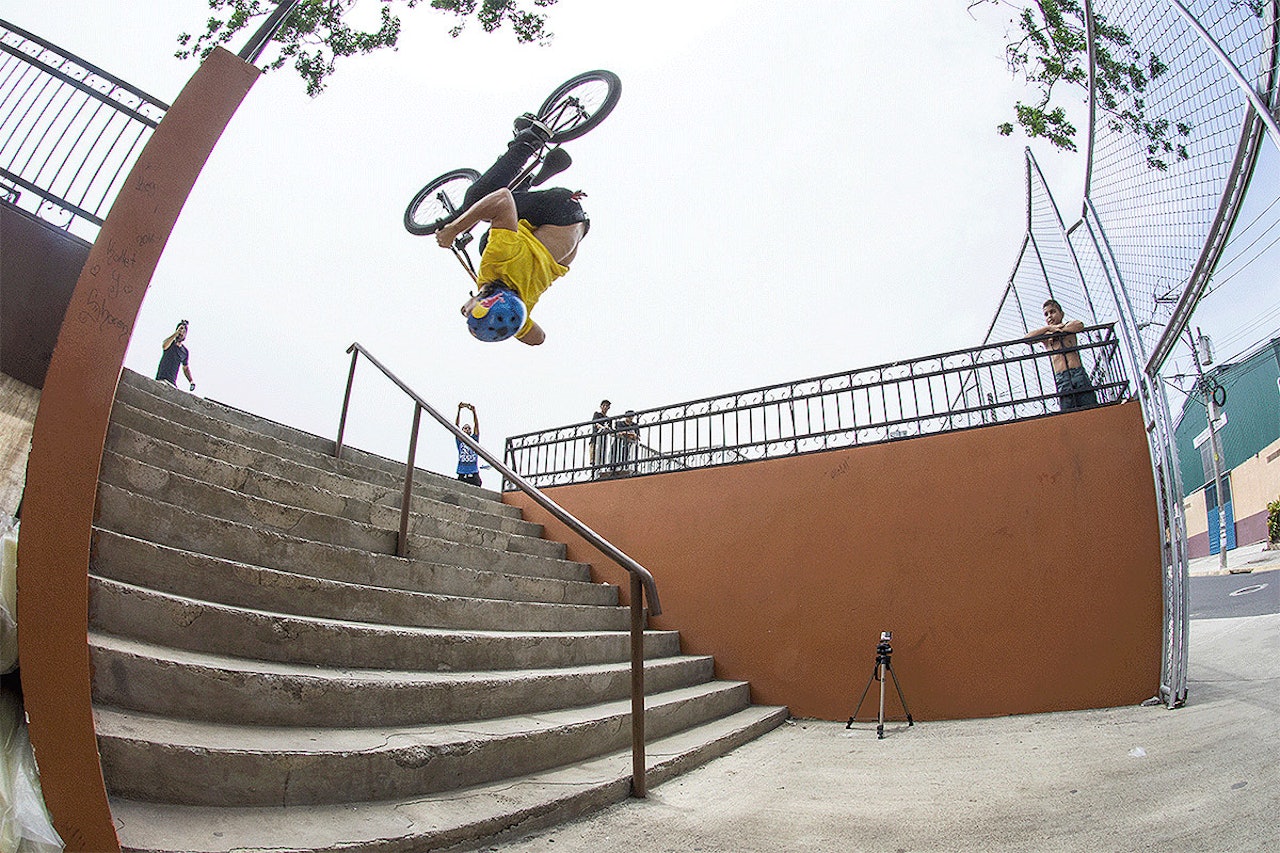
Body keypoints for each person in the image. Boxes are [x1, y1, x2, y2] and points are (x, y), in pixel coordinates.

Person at [436, 116, 591, 346]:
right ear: (485, 301)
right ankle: (530, 139)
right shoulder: (500, 261)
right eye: (468, 313)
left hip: (569, 230)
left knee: (486, 240)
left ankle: (528, 180)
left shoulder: (520, 309)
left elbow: (538, 338)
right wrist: (454, 229)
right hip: (558, 211)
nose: (463, 311)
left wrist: (517, 326)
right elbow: (502, 199)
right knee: (478, 199)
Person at [1025, 299, 1098, 412]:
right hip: (1062, 377)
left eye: (1053, 312)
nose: (1049, 316)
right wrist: (1048, 328)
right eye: (1046, 314)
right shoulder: (1046, 336)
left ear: (1061, 313)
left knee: (1090, 406)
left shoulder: (1068, 327)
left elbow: (1079, 325)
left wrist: (1059, 330)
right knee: (1068, 411)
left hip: (1077, 372)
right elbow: (1026, 339)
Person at [155, 320, 196, 391]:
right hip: (161, 378)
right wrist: (176, 333)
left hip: (172, 382)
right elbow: (164, 346)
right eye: (180, 330)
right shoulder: (170, 343)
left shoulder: (185, 351)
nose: (181, 333)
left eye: (184, 332)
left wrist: (191, 381)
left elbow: (185, 368)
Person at [454, 403, 482, 487]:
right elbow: (455, 426)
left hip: (473, 470)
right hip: (462, 471)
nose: (467, 429)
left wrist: (474, 412)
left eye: (469, 428)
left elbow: (476, 426)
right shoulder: (460, 440)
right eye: (465, 428)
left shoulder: (474, 439)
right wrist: (459, 410)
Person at [590, 399, 612, 473]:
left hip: (603, 441)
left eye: (607, 406)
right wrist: (602, 428)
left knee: (602, 457)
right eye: (604, 405)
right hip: (595, 439)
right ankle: (593, 474)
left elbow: (610, 429)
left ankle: (600, 472)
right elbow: (596, 424)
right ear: (601, 406)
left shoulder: (609, 419)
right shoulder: (597, 414)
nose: (605, 407)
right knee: (593, 459)